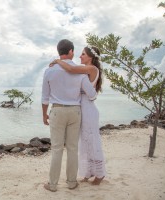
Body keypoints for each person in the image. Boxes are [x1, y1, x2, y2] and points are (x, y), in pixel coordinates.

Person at [41, 39, 97, 192]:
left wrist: (44, 115)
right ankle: (71, 182)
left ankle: (52, 185)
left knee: (57, 149)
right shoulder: (80, 70)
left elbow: (45, 97)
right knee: (72, 148)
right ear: (71, 51)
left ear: (59, 52)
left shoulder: (49, 70)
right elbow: (90, 93)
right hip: (75, 111)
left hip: (57, 111)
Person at [49, 45, 106, 185]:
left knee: (92, 142)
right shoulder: (85, 71)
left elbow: (71, 69)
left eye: (83, 54)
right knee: (84, 143)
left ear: (91, 57)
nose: (80, 57)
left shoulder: (92, 69)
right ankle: (88, 173)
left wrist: (57, 61)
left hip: (89, 110)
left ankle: (100, 174)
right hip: (82, 109)